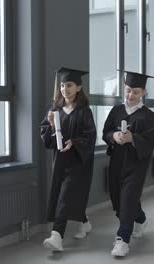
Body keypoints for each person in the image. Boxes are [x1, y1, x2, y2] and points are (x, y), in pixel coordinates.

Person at [102, 71, 154, 257]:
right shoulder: (116, 111)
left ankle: (122, 239)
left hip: (136, 163)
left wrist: (132, 138)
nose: (130, 95)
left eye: (135, 92)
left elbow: (152, 140)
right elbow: (106, 132)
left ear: (143, 92)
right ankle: (140, 219)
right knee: (118, 199)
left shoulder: (148, 115)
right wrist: (114, 136)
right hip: (117, 161)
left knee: (128, 198)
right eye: (128, 91)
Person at [40, 67, 96, 252]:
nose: (65, 89)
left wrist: (75, 142)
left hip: (78, 163)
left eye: (69, 85)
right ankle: (84, 221)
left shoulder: (84, 111)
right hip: (60, 163)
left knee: (64, 197)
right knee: (65, 196)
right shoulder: (55, 110)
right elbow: (47, 139)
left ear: (78, 87)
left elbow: (90, 136)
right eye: (63, 85)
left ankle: (57, 236)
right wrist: (49, 124)